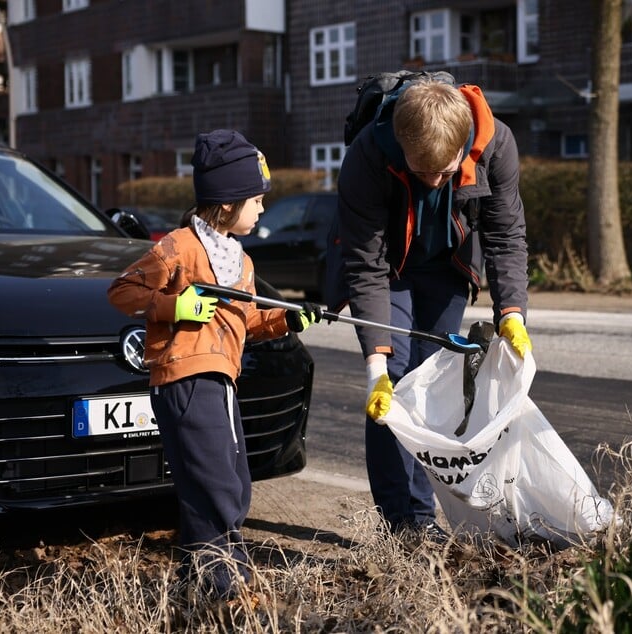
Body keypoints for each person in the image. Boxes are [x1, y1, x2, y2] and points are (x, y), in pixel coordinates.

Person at [107, 129, 321, 600]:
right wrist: (175, 307)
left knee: (216, 481)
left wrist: (286, 320)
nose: (263, 209)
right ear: (227, 202)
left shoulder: (238, 260)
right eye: (257, 200)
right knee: (223, 485)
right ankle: (228, 583)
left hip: (221, 378)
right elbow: (122, 291)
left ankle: (196, 581)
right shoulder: (180, 246)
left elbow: (245, 321)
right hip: (186, 377)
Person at [334, 77, 532, 537]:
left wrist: (513, 315)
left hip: (448, 269)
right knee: (397, 380)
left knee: (432, 385)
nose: (435, 183)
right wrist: (374, 369)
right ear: (401, 146)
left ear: (464, 145)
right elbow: (365, 264)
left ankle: (423, 518)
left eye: (445, 172)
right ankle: (400, 522)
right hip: (389, 271)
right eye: (423, 173)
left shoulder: (496, 145)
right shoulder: (366, 157)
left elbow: (505, 235)